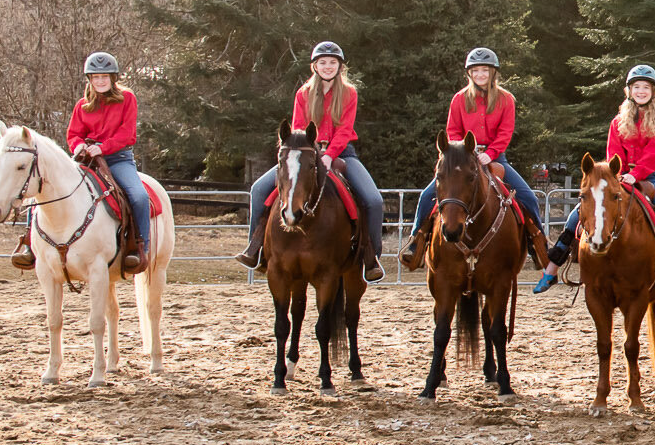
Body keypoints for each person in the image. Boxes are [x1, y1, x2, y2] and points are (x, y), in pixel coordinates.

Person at [235, 41, 385, 282]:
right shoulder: (303, 94)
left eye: (332, 62)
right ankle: (256, 249)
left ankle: (371, 256)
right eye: (323, 62)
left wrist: (328, 155)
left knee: (373, 200)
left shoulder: (349, 93)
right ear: (314, 66)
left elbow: (345, 130)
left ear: (340, 66)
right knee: (259, 189)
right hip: (305, 153)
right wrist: (314, 154)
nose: (327, 67)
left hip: (341, 152)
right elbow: (297, 128)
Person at [534, 65, 655, 296]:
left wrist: (635, 174)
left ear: (654, 91)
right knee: (575, 215)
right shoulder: (617, 122)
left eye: (646, 87)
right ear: (629, 90)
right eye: (636, 87)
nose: (641, 91)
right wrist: (619, 175)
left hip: (652, 177)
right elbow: (613, 154)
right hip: (619, 176)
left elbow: (654, 154)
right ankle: (552, 268)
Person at [402, 47, 548, 273]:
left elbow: (506, 131)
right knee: (427, 196)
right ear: (469, 73)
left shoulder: (506, 99)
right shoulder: (459, 99)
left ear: (493, 72)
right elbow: (452, 130)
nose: (480, 74)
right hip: (461, 157)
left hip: (495, 156)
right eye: (476, 70)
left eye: (485, 70)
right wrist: (465, 152)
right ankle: (416, 242)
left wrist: (489, 153)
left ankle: (537, 245)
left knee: (528, 198)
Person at [18, 52, 151, 276]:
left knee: (139, 196)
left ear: (113, 78)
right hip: (86, 159)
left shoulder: (127, 98)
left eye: (105, 76)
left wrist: (104, 147)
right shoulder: (82, 105)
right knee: (41, 189)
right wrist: (78, 146)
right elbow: (73, 134)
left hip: (117, 158)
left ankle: (139, 247)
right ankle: (29, 246)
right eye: (96, 77)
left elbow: (127, 133)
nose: (100, 81)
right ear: (89, 79)